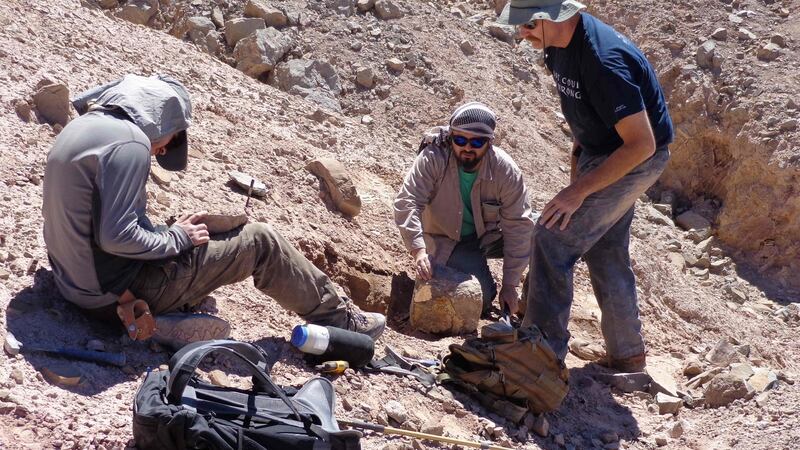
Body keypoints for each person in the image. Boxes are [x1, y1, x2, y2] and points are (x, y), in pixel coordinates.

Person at [42, 74, 385, 348]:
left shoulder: (86, 127)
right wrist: (177, 238)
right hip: (110, 300)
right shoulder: (131, 143)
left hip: (73, 284)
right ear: (156, 117)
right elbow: (117, 236)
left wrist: (169, 234)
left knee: (192, 232)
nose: (164, 148)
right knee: (260, 241)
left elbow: (99, 225)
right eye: (172, 136)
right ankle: (341, 322)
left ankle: (176, 312)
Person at [497, 0, 674, 371]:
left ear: (551, 17)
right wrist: (578, 169)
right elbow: (584, 114)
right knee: (605, 248)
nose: (522, 33)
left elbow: (642, 144)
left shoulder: (604, 62)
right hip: (602, 152)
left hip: (634, 158)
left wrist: (578, 192)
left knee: (551, 238)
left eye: (528, 25)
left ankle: (540, 357)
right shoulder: (558, 46)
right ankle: (628, 356)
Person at [394, 102, 534, 316]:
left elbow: (519, 226)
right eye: (460, 140)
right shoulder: (434, 158)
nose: (467, 148)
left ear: (489, 143)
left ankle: (533, 309)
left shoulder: (505, 170)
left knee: (548, 234)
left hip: (490, 235)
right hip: (449, 239)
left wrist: (510, 285)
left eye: (477, 142)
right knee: (480, 298)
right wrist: (419, 252)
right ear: (451, 138)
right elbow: (408, 201)